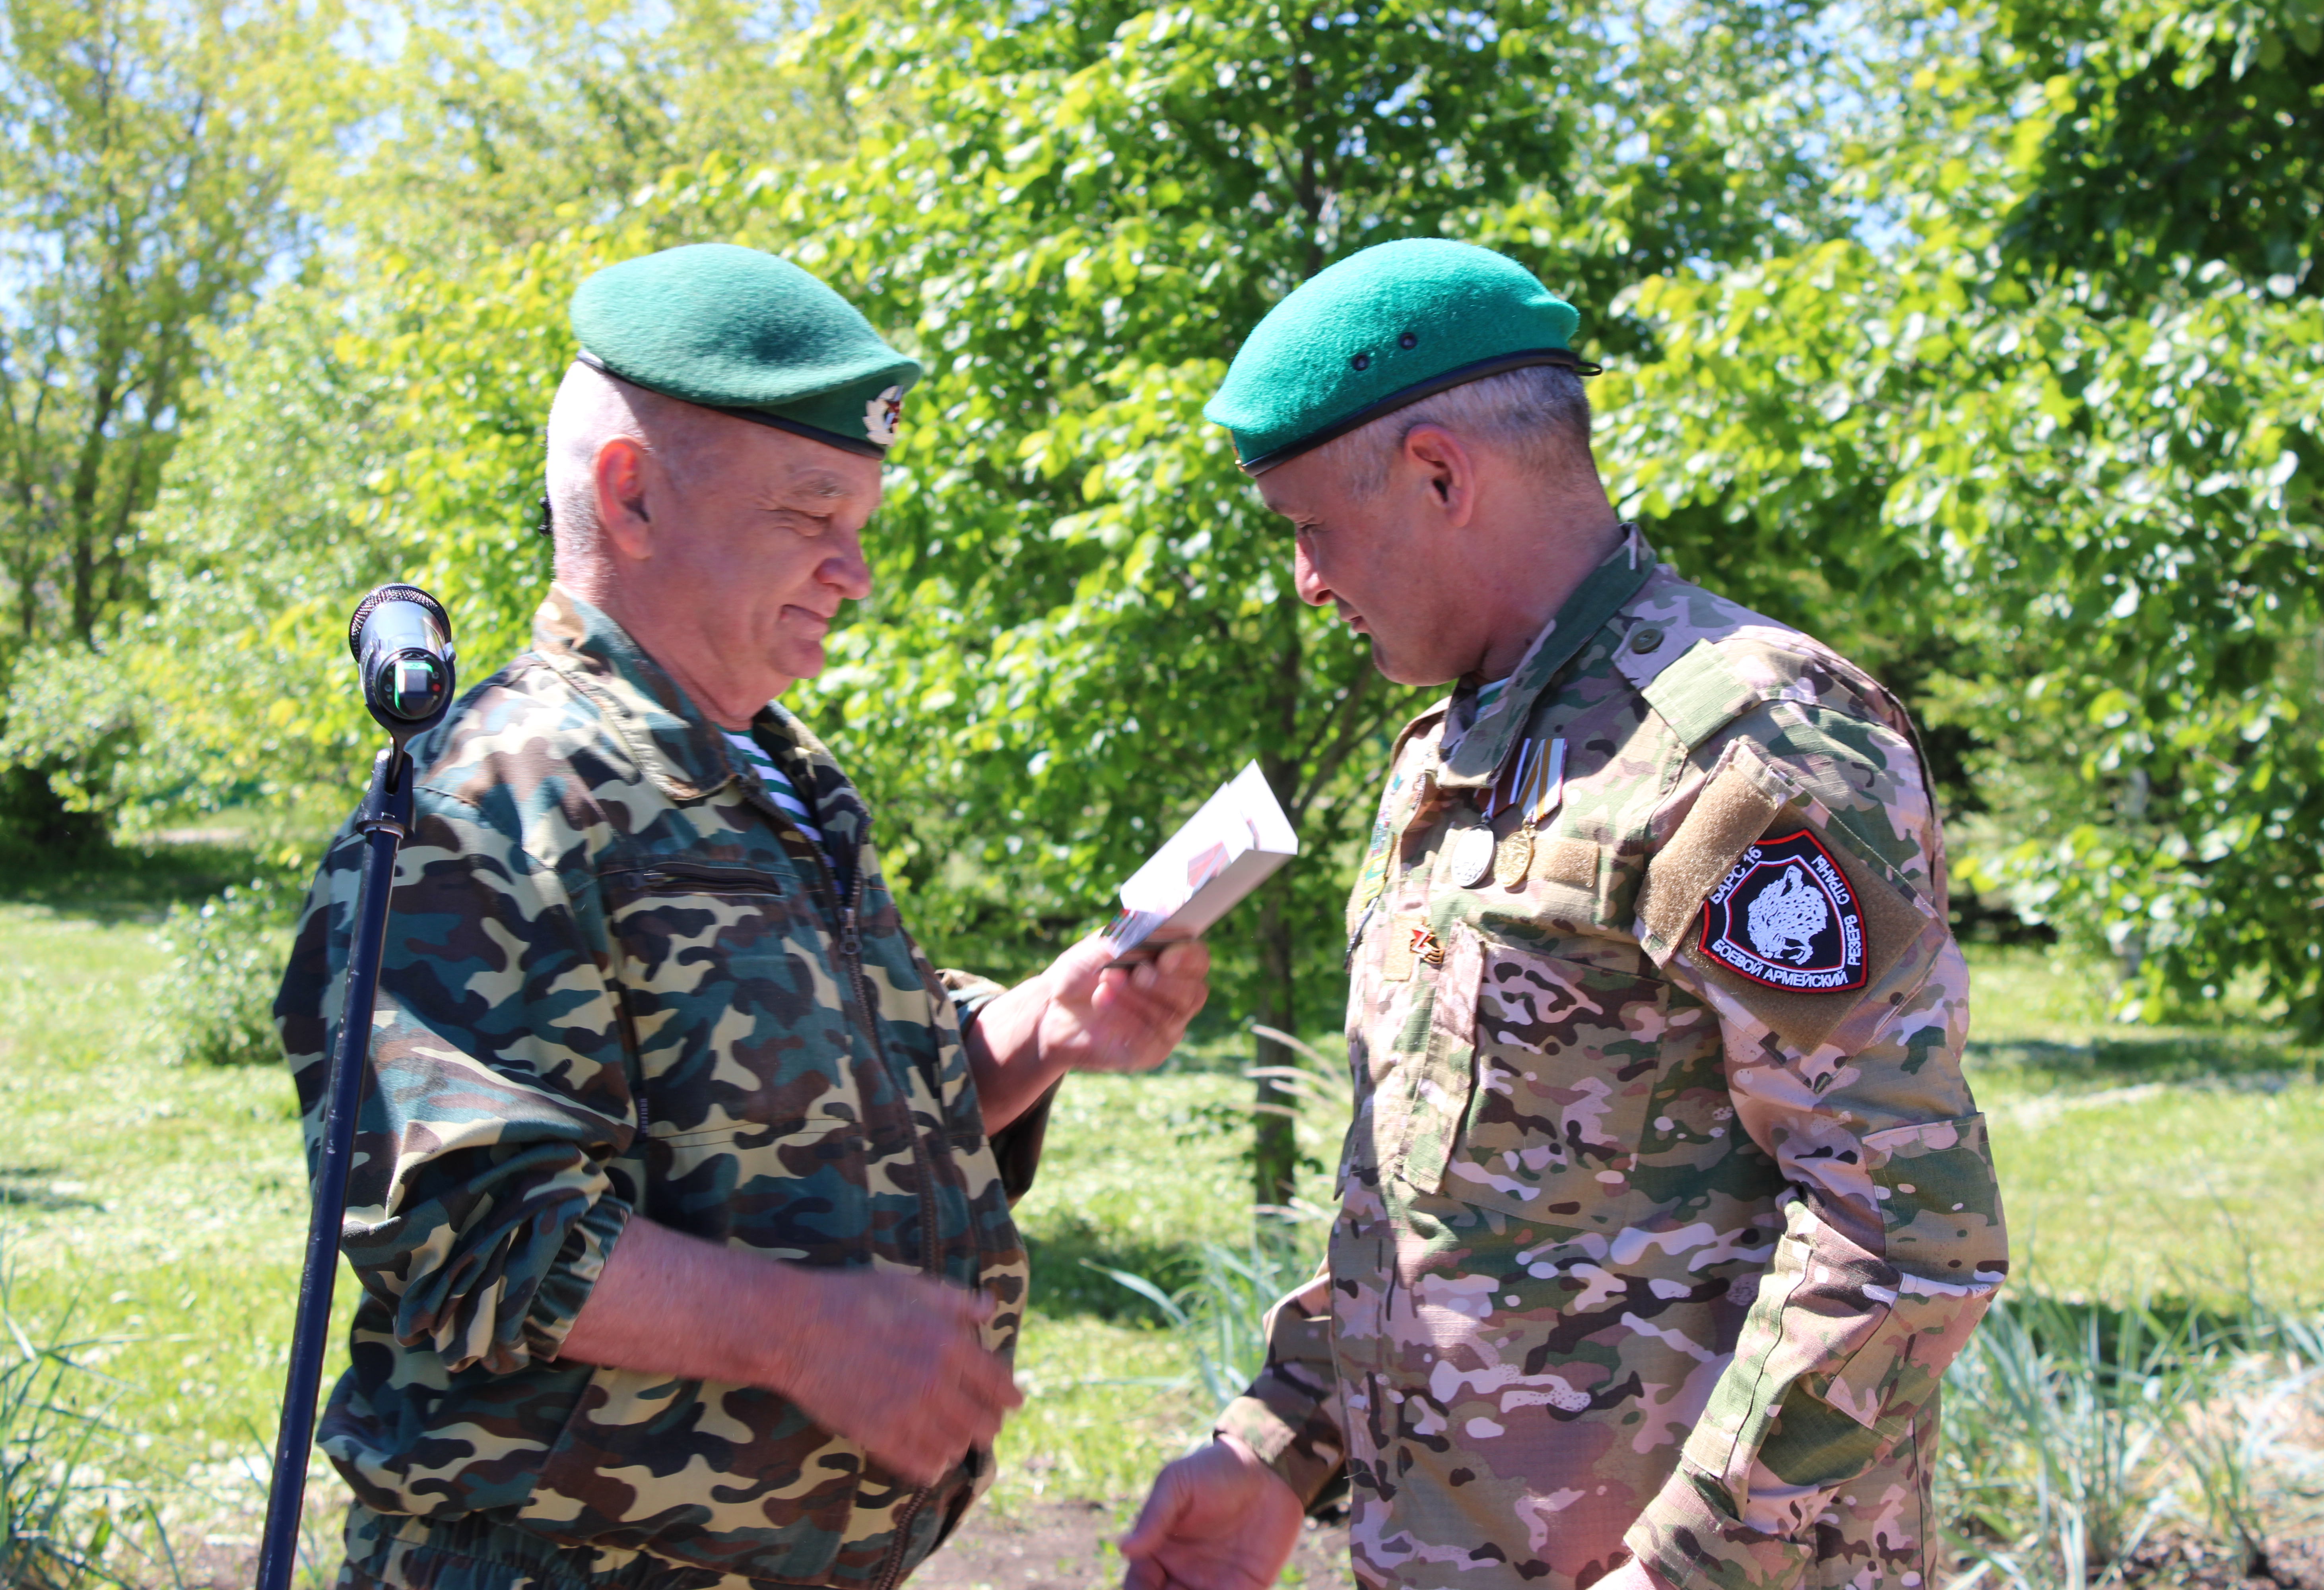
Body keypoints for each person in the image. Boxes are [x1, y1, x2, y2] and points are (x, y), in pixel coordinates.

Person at [275, 242, 1210, 1590]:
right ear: (633, 496)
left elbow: (840, 1121)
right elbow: (468, 1236)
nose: (856, 572)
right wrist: (803, 1334)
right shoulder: (490, 799)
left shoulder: (776, 772)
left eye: (862, 523)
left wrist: (1044, 1031)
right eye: (808, 513)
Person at [1118, 238, 2006, 1590]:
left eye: (1310, 529)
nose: (1306, 581)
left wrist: (1692, 1569)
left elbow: (1903, 1231)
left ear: (1438, 475)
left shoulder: (1738, 750)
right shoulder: (1459, 753)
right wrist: (1278, 1444)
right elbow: (1435, 1191)